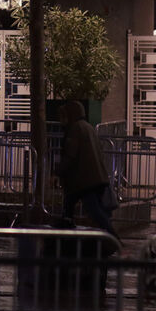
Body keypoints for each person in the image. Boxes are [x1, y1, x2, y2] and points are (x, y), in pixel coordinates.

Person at [56, 99, 118, 239]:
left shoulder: (74, 129)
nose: (61, 120)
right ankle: (66, 224)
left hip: (85, 179)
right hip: (93, 177)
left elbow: (70, 155)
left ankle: (114, 239)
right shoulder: (88, 127)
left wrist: (57, 172)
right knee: (70, 201)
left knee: (94, 211)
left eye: (63, 116)